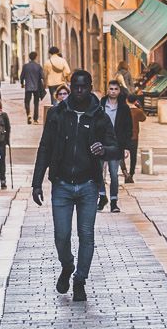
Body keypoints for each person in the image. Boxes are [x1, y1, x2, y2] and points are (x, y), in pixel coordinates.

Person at [32, 69, 119, 303]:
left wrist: (104, 149)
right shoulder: (58, 113)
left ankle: (80, 280)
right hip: (61, 184)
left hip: (88, 184)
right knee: (61, 236)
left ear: (90, 87)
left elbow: (115, 148)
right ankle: (67, 265)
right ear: (71, 86)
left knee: (86, 235)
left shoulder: (99, 116)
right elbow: (45, 148)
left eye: (83, 86)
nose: (79, 91)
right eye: (76, 86)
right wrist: (36, 182)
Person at [97, 79, 132, 213]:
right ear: (107, 90)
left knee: (114, 174)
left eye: (115, 89)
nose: (113, 91)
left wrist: (127, 147)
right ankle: (102, 197)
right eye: (111, 89)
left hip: (116, 145)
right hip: (101, 143)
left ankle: (113, 201)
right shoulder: (100, 105)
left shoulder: (124, 107)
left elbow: (128, 128)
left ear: (119, 91)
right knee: (99, 173)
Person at [124, 93, 147, 182]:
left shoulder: (122, 110)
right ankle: (131, 174)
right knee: (133, 157)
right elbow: (143, 119)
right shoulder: (137, 111)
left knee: (121, 156)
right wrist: (139, 107)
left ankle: (125, 172)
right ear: (135, 101)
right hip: (134, 137)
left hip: (124, 136)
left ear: (127, 100)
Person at [20, 50, 45, 123]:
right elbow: (42, 76)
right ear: (36, 57)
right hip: (36, 87)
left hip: (28, 87)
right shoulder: (38, 66)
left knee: (27, 102)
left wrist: (22, 83)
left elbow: (22, 76)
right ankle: (35, 119)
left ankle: (28, 114)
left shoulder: (25, 66)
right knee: (36, 103)